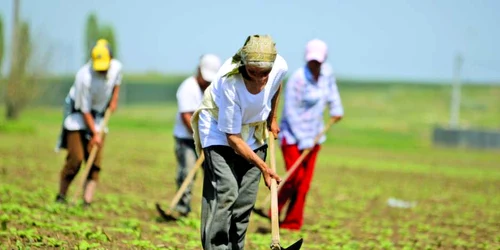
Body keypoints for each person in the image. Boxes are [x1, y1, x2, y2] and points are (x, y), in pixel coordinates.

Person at [190, 34, 286, 250]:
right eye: (254, 72)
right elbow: (232, 138)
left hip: (253, 129)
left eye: (265, 73)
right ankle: (216, 246)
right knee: (226, 191)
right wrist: (263, 167)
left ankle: (236, 247)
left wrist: (273, 117)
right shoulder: (229, 82)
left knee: (244, 200)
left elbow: (277, 84)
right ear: (244, 64)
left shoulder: (279, 66)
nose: (261, 79)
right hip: (219, 130)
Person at [265, 39, 344, 230]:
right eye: (312, 61)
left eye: (318, 61)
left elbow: (332, 94)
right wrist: (303, 140)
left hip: (315, 135)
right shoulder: (298, 79)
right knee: (294, 178)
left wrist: (336, 109)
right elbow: (290, 112)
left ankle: (292, 223)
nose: (315, 64)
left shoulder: (327, 75)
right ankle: (273, 210)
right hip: (293, 136)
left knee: (304, 183)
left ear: (324, 60)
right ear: (307, 59)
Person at [54, 39, 122, 206]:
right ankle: (61, 196)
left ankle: (87, 201)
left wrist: (114, 99)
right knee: (76, 159)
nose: (102, 70)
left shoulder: (116, 68)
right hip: (78, 115)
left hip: (99, 115)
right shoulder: (83, 77)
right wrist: (94, 133)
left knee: (95, 162)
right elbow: (84, 110)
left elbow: (117, 83)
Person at [171, 54, 221, 217]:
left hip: (208, 140)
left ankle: (214, 211)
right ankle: (182, 208)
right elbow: (187, 117)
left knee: (213, 174)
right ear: (199, 70)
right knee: (186, 173)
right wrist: (200, 138)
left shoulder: (215, 89)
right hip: (187, 139)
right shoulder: (188, 87)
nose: (206, 82)